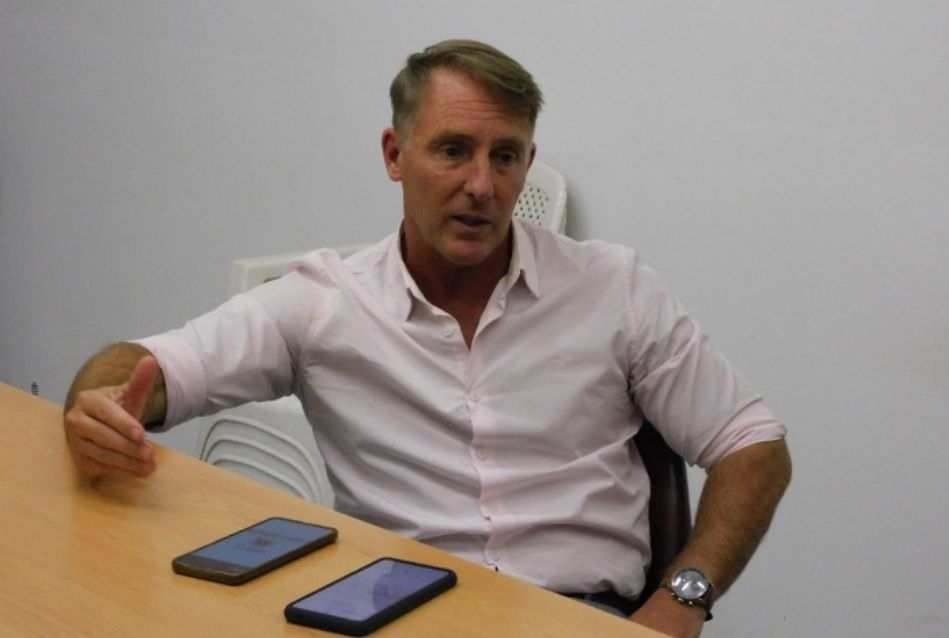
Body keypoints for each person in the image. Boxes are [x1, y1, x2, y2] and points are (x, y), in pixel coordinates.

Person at [63, 39, 791, 638]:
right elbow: (145, 366)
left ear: (527, 165)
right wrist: (97, 406)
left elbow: (754, 445)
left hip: (575, 616)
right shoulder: (325, 302)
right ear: (394, 154)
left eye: (505, 156)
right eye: (453, 150)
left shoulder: (613, 288)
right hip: (395, 615)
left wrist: (683, 601)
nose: (482, 185)